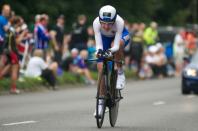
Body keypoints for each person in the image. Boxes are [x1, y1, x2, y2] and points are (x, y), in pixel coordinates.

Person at [93, 5, 130, 116]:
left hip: (120, 38)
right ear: (99, 20)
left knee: (114, 45)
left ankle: (120, 72)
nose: (106, 26)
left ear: (114, 20)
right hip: (104, 39)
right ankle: (101, 103)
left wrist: (110, 51)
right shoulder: (95, 23)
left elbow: (116, 46)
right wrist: (99, 51)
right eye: (103, 23)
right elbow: (98, 44)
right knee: (100, 69)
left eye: (109, 23)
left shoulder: (120, 22)